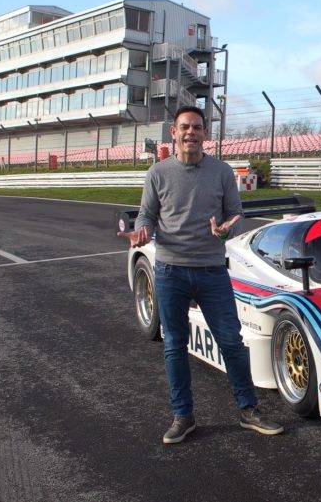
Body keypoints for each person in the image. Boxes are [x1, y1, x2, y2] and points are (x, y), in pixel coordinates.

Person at [118, 106, 283, 444]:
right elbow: (147, 214)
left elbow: (235, 213)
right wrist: (142, 231)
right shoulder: (158, 173)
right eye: (184, 127)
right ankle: (183, 416)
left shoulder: (221, 171)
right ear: (174, 134)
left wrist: (226, 229)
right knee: (174, 345)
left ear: (205, 134)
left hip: (211, 270)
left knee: (232, 343)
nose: (190, 132)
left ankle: (248, 410)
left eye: (196, 127)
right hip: (170, 271)